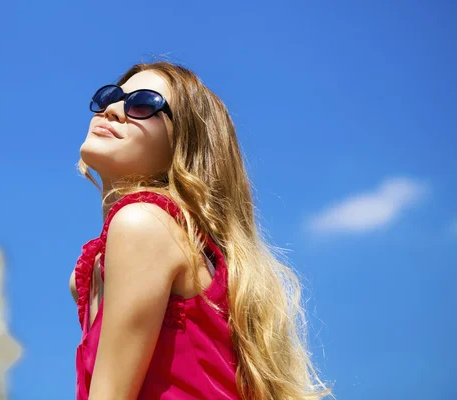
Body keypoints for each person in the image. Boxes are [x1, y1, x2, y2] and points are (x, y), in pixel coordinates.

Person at [70, 61, 331, 400]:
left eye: (143, 104)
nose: (114, 110)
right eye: (110, 96)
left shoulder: (143, 224)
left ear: (186, 144)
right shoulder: (90, 274)